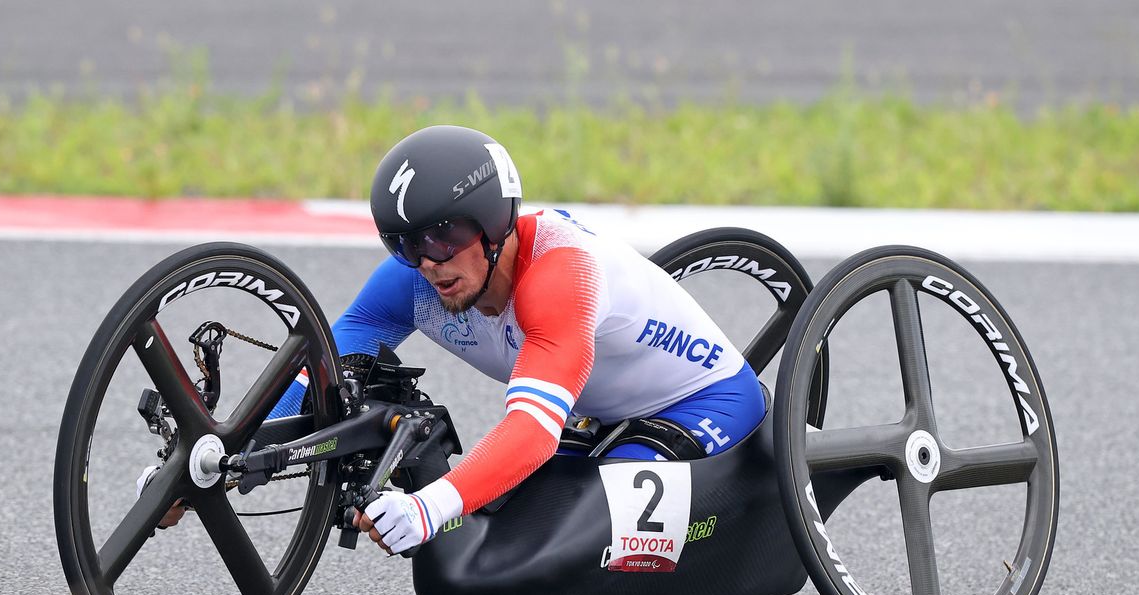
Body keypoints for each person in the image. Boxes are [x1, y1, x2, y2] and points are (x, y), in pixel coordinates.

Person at [147, 125, 765, 552]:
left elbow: (530, 432)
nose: (428, 261)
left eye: (442, 237)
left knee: (598, 530)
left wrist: (427, 508)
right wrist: (220, 462)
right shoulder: (413, 281)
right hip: (598, 413)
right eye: (405, 242)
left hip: (703, 401)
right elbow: (321, 376)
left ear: (495, 222)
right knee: (512, 521)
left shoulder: (559, 276)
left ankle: (743, 528)